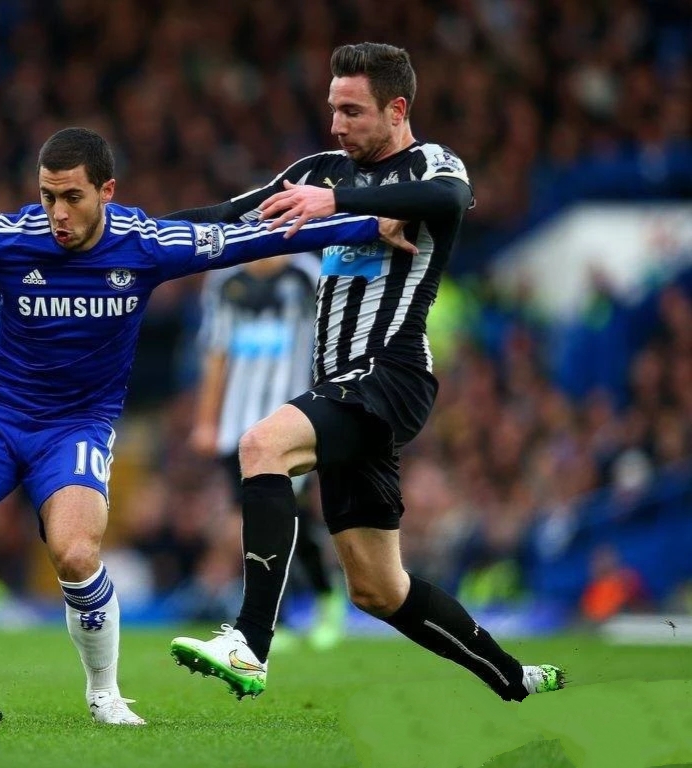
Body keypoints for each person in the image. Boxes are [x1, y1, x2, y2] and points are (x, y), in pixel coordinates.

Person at [0, 127, 415, 725]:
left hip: (77, 425)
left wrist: (368, 225)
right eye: (47, 197)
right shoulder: (11, 240)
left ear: (107, 191)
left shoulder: (147, 245)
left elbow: (258, 237)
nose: (58, 214)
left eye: (72, 197)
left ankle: (104, 693)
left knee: (75, 554)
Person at [168, 43, 566, 702]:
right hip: (339, 386)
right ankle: (511, 677)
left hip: (390, 373)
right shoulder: (318, 172)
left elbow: (451, 197)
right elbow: (227, 218)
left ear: (397, 109)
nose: (336, 125)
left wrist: (338, 204)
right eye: (333, 109)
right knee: (379, 589)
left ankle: (249, 643)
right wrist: (124, 235)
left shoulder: (429, 164)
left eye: (352, 111)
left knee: (261, 445)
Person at [189, 254, 346, 650]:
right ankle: (280, 617)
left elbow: (331, 344)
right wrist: (207, 421)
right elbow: (216, 352)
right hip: (237, 426)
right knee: (255, 521)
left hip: (289, 420)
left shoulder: (308, 276)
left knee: (286, 517)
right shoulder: (225, 280)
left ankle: (324, 597)